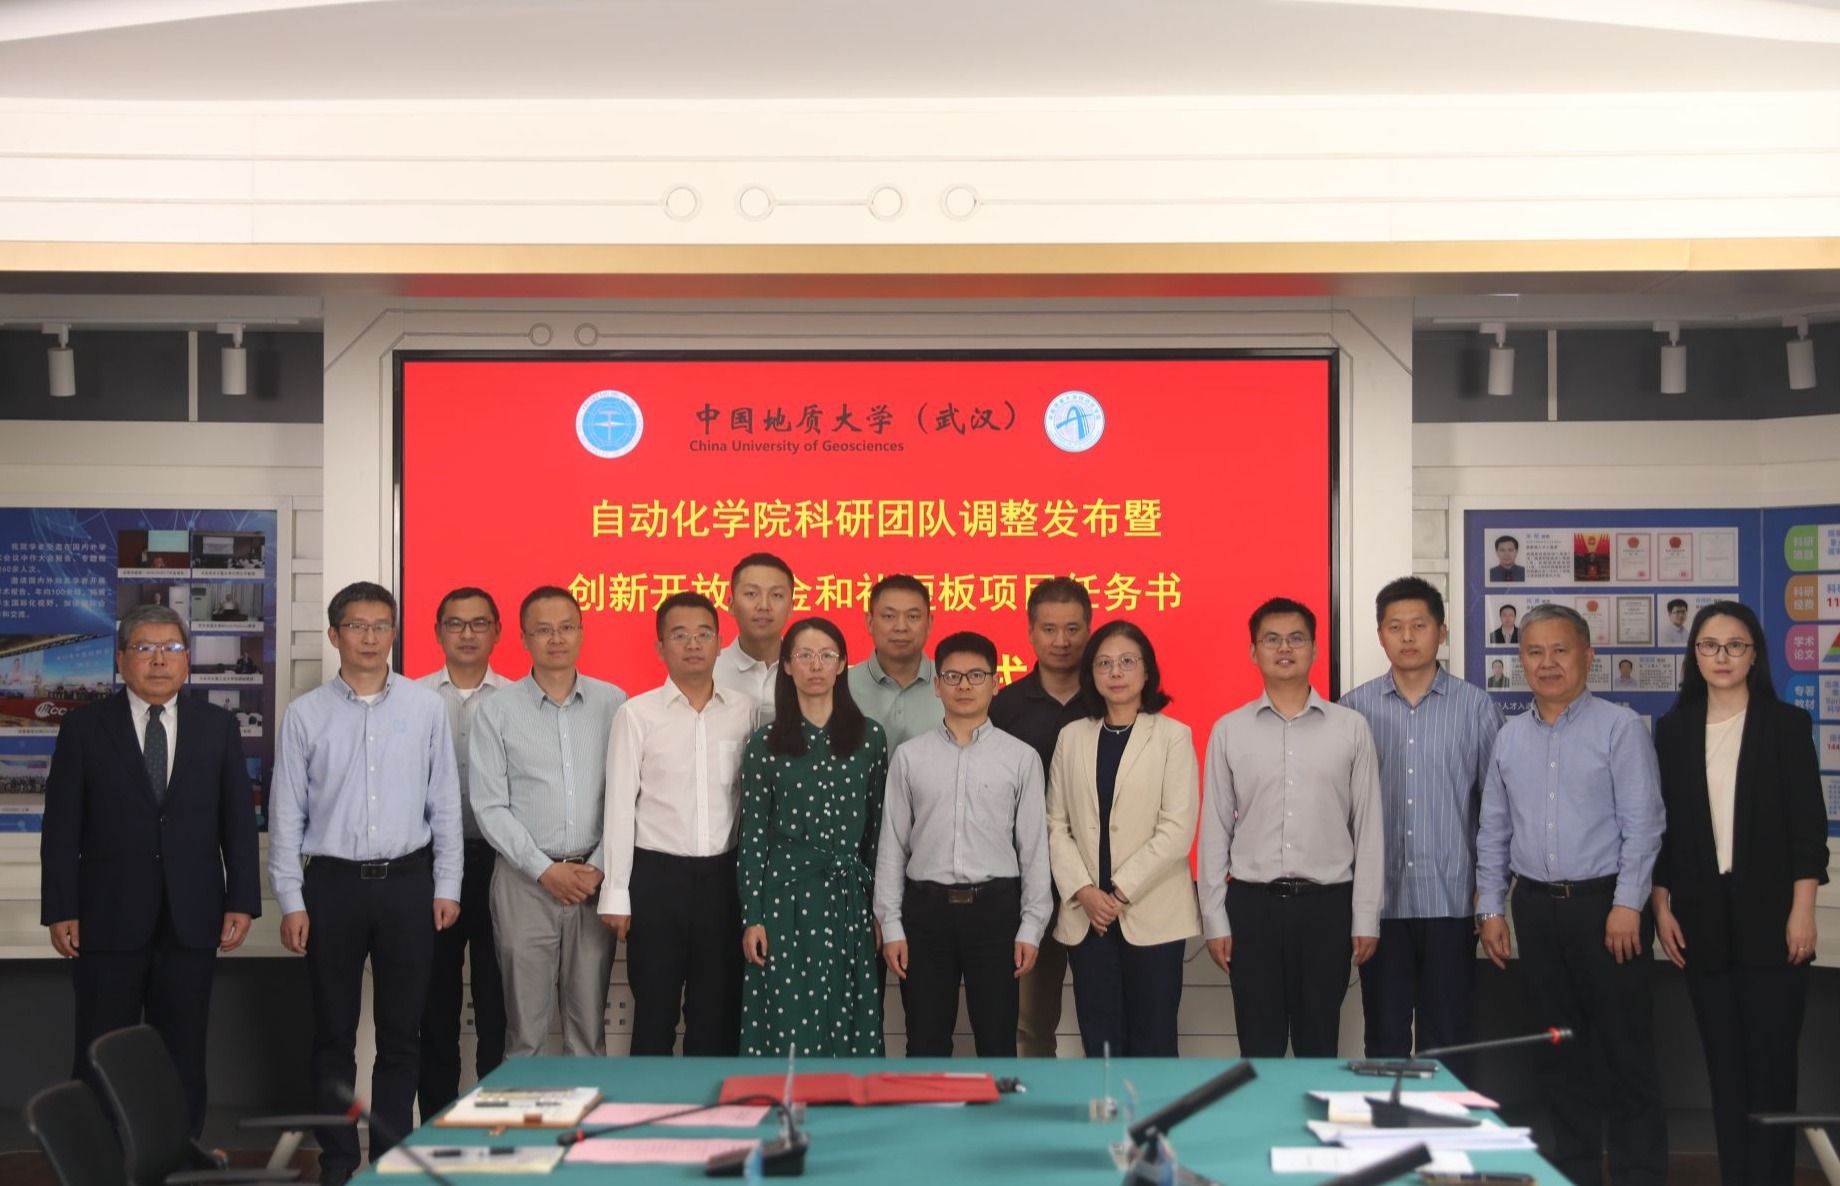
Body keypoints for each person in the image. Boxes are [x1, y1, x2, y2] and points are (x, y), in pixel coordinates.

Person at [40, 604, 259, 1135]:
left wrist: (242, 899)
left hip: (192, 916)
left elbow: (237, 820)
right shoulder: (85, 728)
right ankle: (99, 1160)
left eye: (171, 648)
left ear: (187, 660)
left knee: (182, 1049)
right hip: (106, 916)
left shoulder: (217, 727)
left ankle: (179, 1157)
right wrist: (61, 907)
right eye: (144, 648)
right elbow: (62, 827)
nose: (159, 659)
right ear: (121, 660)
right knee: (100, 1050)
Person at [269, 583, 461, 1186]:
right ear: (335, 635)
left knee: (403, 1034)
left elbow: (444, 803)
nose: (370, 638)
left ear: (395, 633)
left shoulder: (425, 708)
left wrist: (447, 885)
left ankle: (391, 1159)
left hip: (408, 884)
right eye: (357, 626)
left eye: (382, 626)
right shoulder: (305, 714)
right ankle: (338, 1162)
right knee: (333, 1034)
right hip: (332, 887)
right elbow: (286, 814)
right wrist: (291, 899)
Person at [1476, 602, 1666, 1186]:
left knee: (1625, 1054)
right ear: (1520, 660)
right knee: (1558, 1051)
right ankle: (1575, 1171)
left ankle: (1638, 1174)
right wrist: (1490, 907)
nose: (1547, 663)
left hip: (1607, 910)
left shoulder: (1619, 728)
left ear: (1588, 655)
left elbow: (1644, 825)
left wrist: (1628, 904)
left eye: (1560, 650)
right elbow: (1493, 829)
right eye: (1534, 652)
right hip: (1536, 909)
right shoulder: (1509, 737)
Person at [1652, 602, 1827, 1186]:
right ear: (1694, 655)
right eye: (1709, 645)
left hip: (1773, 919)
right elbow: (1665, 829)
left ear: (1755, 655)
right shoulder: (1674, 730)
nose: (1721, 657)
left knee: (1772, 1070)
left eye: (1735, 645)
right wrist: (1660, 904)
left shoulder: (1785, 725)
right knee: (1725, 1071)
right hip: (1702, 918)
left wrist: (1803, 911)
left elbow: (1808, 829)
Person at [1199, 597, 1382, 1057]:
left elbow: (1368, 829)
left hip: (1327, 908)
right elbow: (1215, 830)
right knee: (1258, 1048)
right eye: (1272, 639)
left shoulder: (1351, 728)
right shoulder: (1229, 730)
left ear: (1315, 649)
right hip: (1252, 908)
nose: (1285, 649)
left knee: (1318, 1045)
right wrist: (1215, 918)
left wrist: (1365, 916)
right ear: (1253, 651)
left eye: (1296, 638)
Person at [1340, 578, 1501, 1072]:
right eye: (1395, 627)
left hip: (1450, 902)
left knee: (1448, 1040)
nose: (1407, 637)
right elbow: (1339, 810)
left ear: (1441, 632)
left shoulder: (1475, 707)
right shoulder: (1353, 710)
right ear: (1380, 635)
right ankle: (1391, 1123)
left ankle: (1445, 1123)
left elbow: (1495, 807)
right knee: (1384, 1036)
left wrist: (1490, 892)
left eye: (1419, 626)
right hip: (1380, 904)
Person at [874, 632, 1051, 1057]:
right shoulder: (910, 757)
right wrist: (891, 924)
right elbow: (892, 847)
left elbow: (1034, 850)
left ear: (995, 682)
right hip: (925, 913)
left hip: (995, 912)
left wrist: (1031, 926)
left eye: (976, 675)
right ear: (937, 685)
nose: (964, 685)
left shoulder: (1021, 758)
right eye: (952, 676)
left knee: (998, 1041)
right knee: (925, 1041)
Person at [471, 586, 625, 1059]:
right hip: (524, 882)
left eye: (566, 627)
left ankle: (586, 1112)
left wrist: (598, 866)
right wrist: (544, 869)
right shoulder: (496, 710)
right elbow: (489, 806)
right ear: (523, 639)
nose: (556, 638)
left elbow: (626, 797)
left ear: (581, 632)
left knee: (588, 1032)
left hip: (593, 883)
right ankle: (528, 1112)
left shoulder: (615, 703)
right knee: (525, 1033)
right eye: (543, 630)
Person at [601, 591, 757, 1055]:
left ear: (720, 643)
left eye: (704, 634)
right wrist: (616, 893)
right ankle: (650, 1104)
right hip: (656, 880)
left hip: (723, 879)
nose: (693, 644)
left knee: (716, 1015)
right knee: (654, 1013)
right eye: (680, 635)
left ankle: (710, 1105)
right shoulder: (636, 715)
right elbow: (619, 808)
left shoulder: (745, 712)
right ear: (660, 647)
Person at [1044, 621, 1198, 1058]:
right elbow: (1055, 823)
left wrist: (1118, 893)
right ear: (1090, 673)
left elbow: (1177, 828)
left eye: (1127, 662)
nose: (1116, 672)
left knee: (1154, 1043)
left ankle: (1154, 1110)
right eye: (1104, 663)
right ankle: (1107, 1109)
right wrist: (1085, 891)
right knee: (1102, 1045)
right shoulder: (1072, 737)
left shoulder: (1172, 736)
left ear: (1147, 671)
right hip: (1088, 917)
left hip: (1152, 912)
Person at [738, 618, 889, 1056]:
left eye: (826, 655)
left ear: (842, 664)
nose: (816, 665)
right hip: (785, 898)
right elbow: (753, 837)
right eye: (804, 655)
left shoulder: (869, 738)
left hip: (850, 897)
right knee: (788, 1012)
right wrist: (753, 916)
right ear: (787, 665)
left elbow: (878, 834)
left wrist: (881, 909)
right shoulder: (764, 743)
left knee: (850, 1006)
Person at [416, 587, 512, 1115]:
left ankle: (493, 1123)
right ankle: (438, 1120)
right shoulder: (412, 699)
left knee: (497, 1005)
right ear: (438, 633)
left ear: (497, 632)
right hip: (431, 868)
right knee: (436, 1004)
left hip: (503, 864)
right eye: (456, 624)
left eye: (479, 623)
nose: (468, 634)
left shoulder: (518, 699)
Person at [990, 577, 1093, 1057]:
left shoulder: (1111, 700)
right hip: (1029, 887)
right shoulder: (1003, 707)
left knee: (1106, 1020)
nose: (1061, 640)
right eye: (1049, 629)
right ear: (1030, 632)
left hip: (1100, 888)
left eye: (1072, 628)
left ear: (1089, 629)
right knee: (1030, 1024)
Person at [847, 573, 944, 754]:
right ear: (869, 622)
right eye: (889, 616)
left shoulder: (951, 684)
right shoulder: (841, 686)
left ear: (929, 623)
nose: (901, 627)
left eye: (913, 617)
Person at [714, 553, 794, 723]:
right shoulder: (707, 672)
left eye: (776, 595)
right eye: (751, 594)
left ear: (790, 608)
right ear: (731, 605)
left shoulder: (808, 671)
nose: (764, 606)